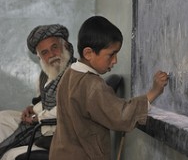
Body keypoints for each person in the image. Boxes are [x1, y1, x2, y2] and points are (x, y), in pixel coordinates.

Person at [49, 16, 169, 160]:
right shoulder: (92, 85)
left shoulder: (69, 74)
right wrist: (154, 92)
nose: (115, 60)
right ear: (88, 53)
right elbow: (121, 116)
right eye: (111, 54)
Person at [0, 24, 77, 159]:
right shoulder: (45, 75)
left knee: (7, 145)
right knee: (2, 117)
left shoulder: (76, 74)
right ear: (39, 57)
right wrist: (31, 109)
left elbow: (68, 108)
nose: (52, 55)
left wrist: (37, 117)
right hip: (39, 120)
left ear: (64, 46)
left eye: (54, 47)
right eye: (45, 52)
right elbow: (42, 100)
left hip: (56, 130)